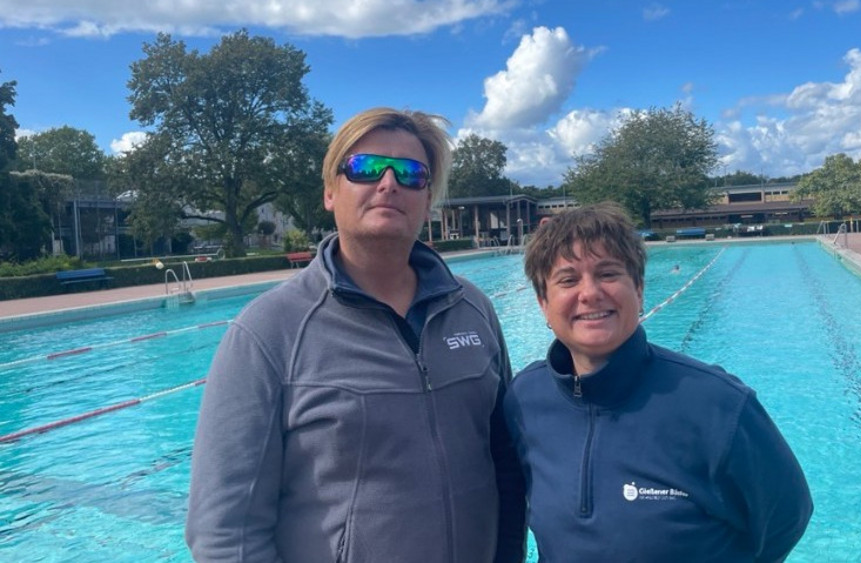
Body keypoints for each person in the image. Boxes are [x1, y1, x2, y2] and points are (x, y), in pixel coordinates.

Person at [186, 107, 526, 562]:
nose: (388, 184)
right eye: (365, 168)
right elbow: (225, 531)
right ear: (330, 191)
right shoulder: (269, 331)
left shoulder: (471, 309)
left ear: (427, 200)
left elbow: (504, 461)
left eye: (411, 174)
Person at [504, 202, 813, 562]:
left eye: (608, 273)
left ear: (638, 289)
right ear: (543, 303)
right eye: (568, 280)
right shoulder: (525, 400)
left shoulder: (718, 405)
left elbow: (788, 518)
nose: (589, 293)